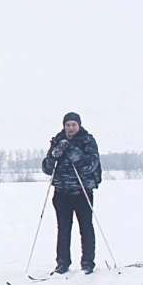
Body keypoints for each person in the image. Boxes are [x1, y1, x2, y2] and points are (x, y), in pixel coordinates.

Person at [42, 112, 101, 275]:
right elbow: (47, 168)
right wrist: (54, 155)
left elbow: (92, 165)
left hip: (82, 191)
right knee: (63, 228)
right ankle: (62, 262)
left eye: (73, 124)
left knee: (86, 228)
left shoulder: (87, 141)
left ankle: (88, 262)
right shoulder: (57, 141)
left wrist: (73, 152)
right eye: (67, 125)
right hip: (61, 192)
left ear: (79, 125)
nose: (70, 128)